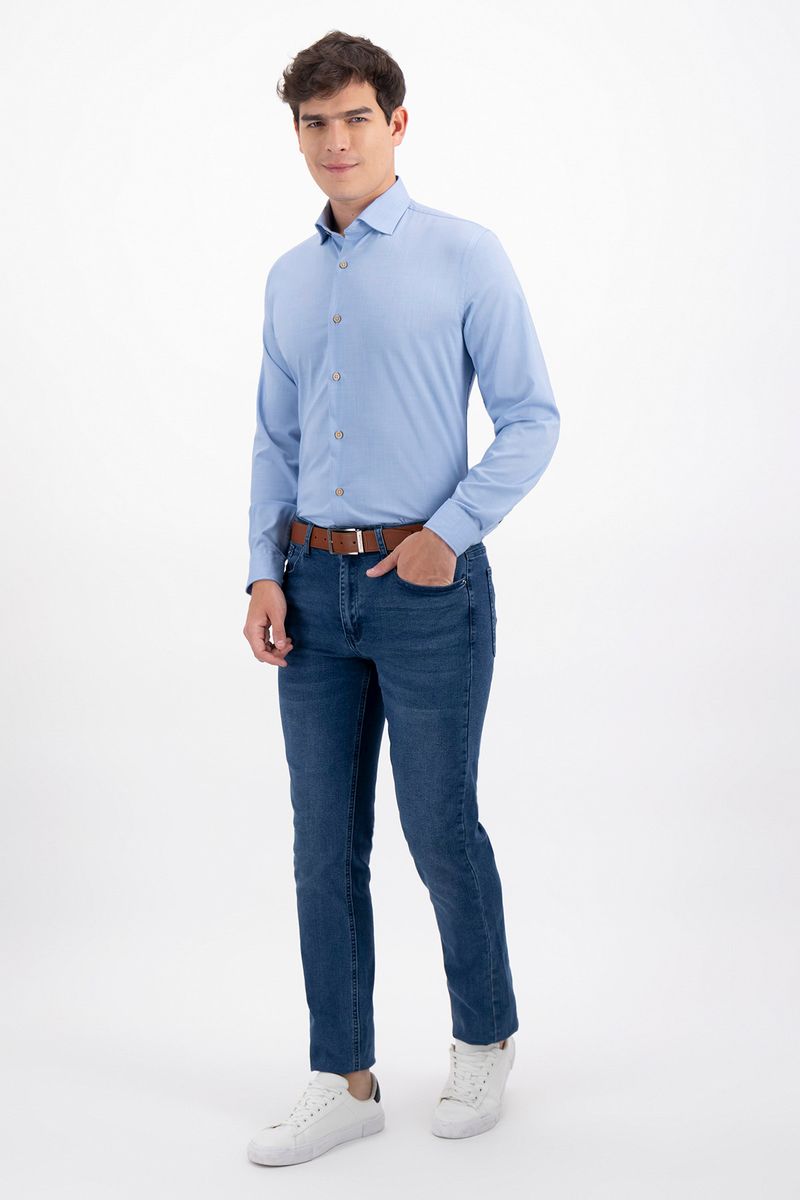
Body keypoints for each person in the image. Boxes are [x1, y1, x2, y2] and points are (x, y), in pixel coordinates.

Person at [242, 30, 560, 1167]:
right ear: (297, 135)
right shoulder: (287, 278)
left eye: (355, 119)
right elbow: (275, 439)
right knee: (321, 844)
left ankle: (483, 1036)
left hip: (425, 591)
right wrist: (261, 569)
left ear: (396, 124)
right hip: (308, 590)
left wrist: (448, 534)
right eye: (315, 123)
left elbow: (532, 418)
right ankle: (345, 1077)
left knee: (438, 827)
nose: (336, 141)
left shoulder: (463, 254)